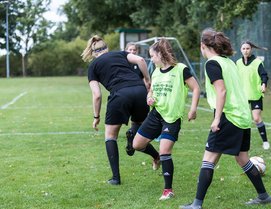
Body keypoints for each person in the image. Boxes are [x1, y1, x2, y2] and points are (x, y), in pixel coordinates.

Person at [180, 28, 271, 209]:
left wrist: (216, 119)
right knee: (243, 159)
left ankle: (197, 204)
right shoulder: (228, 62)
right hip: (242, 116)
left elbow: (221, 91)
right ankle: (264, 197)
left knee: (209, 159)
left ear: (203, 46)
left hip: (228, 117)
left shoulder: (212, 64)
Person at [81, 35, 160, 185]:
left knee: (110, 136)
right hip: (139, 92)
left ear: (93, 52)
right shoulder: (120, 53)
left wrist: (96, 116)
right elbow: (141, 60)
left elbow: (97, 95)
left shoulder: (93, 66)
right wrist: (148, 81)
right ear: (107, 48)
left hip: (120, 95)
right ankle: (156, 156)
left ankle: (116, 178)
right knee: (138, 135)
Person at [132, 38, 201, 200]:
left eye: (153, 56)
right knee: (137, 144)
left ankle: (168, 190)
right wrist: (150, 97)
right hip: (156, 114)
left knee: (165, 151)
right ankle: (155, 157)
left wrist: (193, 109)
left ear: (161, 55)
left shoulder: (180, 69)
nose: (151, 59)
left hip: (171, 117)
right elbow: (152, 91)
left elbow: (196, 88)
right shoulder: (156, 72)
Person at [236, 41, 270, 150]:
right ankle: (241, 142)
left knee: (256, 118)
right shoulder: (237, 63)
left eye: (248, 48)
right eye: (244, 48)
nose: (246, 50)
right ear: (241, 50)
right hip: (242, 96)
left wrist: (264, 84)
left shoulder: (257, 62)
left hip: (255, 94)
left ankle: (265, 141)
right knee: (243, 119)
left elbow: (264, 75)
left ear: (251, 50)